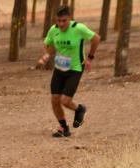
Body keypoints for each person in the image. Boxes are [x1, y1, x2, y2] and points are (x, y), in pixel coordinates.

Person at [37, 5, 100, 138]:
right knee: (55, 99)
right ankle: (64, 128)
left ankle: (79, 109)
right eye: (58, 21)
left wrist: (89, 58)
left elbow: (96, 38)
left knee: (65, 101)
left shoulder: (78, 28)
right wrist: (46, 55)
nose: (61, 24)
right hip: (59, 68)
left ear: (69, 18)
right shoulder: (53, 30)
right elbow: (47, 43)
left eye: (64, 21)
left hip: (75, 68)